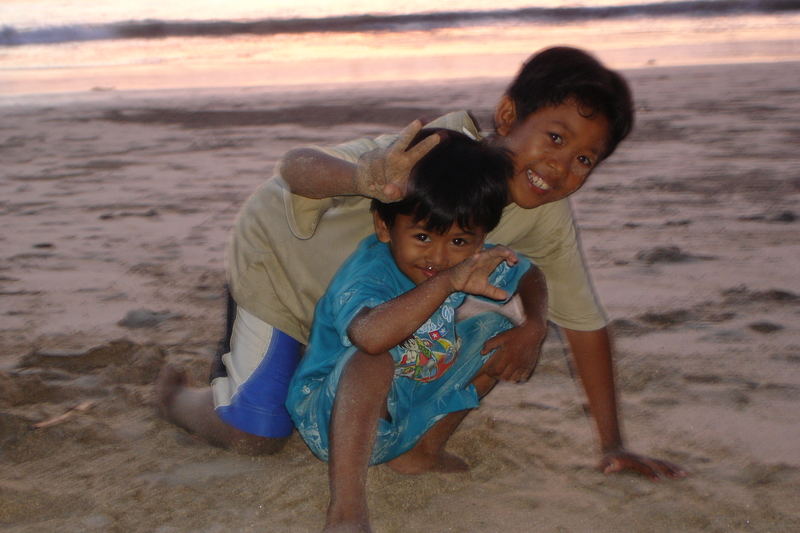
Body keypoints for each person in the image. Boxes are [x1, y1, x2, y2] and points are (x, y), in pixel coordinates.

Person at [157, 46, 685, 480]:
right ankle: (180, 396)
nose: (561, 165)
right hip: (281, 274)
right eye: (555, 137)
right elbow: (296, 168)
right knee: (255, 437)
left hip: (368, 320)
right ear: (507, 117)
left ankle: (418, 447)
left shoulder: (546, 216)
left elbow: (585, 322)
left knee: (487, 320)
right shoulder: (431, 153)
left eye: (584, 159)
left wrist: (613, 443)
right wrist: (364, 178)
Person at [286, 130, 542, 531]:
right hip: (333, 418)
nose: (438, 256)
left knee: (498, 331)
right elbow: (369, 337)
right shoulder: (371, 273)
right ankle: (347, 510)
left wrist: (536, 327)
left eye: (459, 241)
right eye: (422, 236)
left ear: (482, 239)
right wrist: (445, 283)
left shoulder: (474, 260)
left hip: (406, 410)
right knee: (372, 359)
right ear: (385, 227)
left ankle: (422, 451)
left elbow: (528, 272)